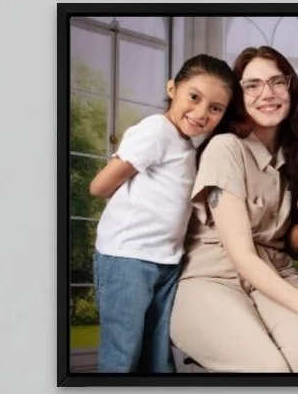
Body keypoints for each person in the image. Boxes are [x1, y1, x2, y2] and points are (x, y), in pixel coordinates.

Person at [168, 46, 298, 372]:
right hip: (212, 279)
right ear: (238, 97)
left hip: (274, 276)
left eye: (277, 82)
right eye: (252, 85)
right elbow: (241, 255)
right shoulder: (225, 148)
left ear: (291, 88)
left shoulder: (295, 157)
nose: (267, 93)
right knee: (268, 369)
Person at [86, 55, 235, 373]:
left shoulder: (187, 147)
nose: (201, 113)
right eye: (194, 97)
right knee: (122, 354)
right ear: (172, 89)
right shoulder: (156, 130)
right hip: (127, 257)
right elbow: (99, 186)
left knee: (157, 359)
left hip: (166, 261)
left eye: (215, 108)